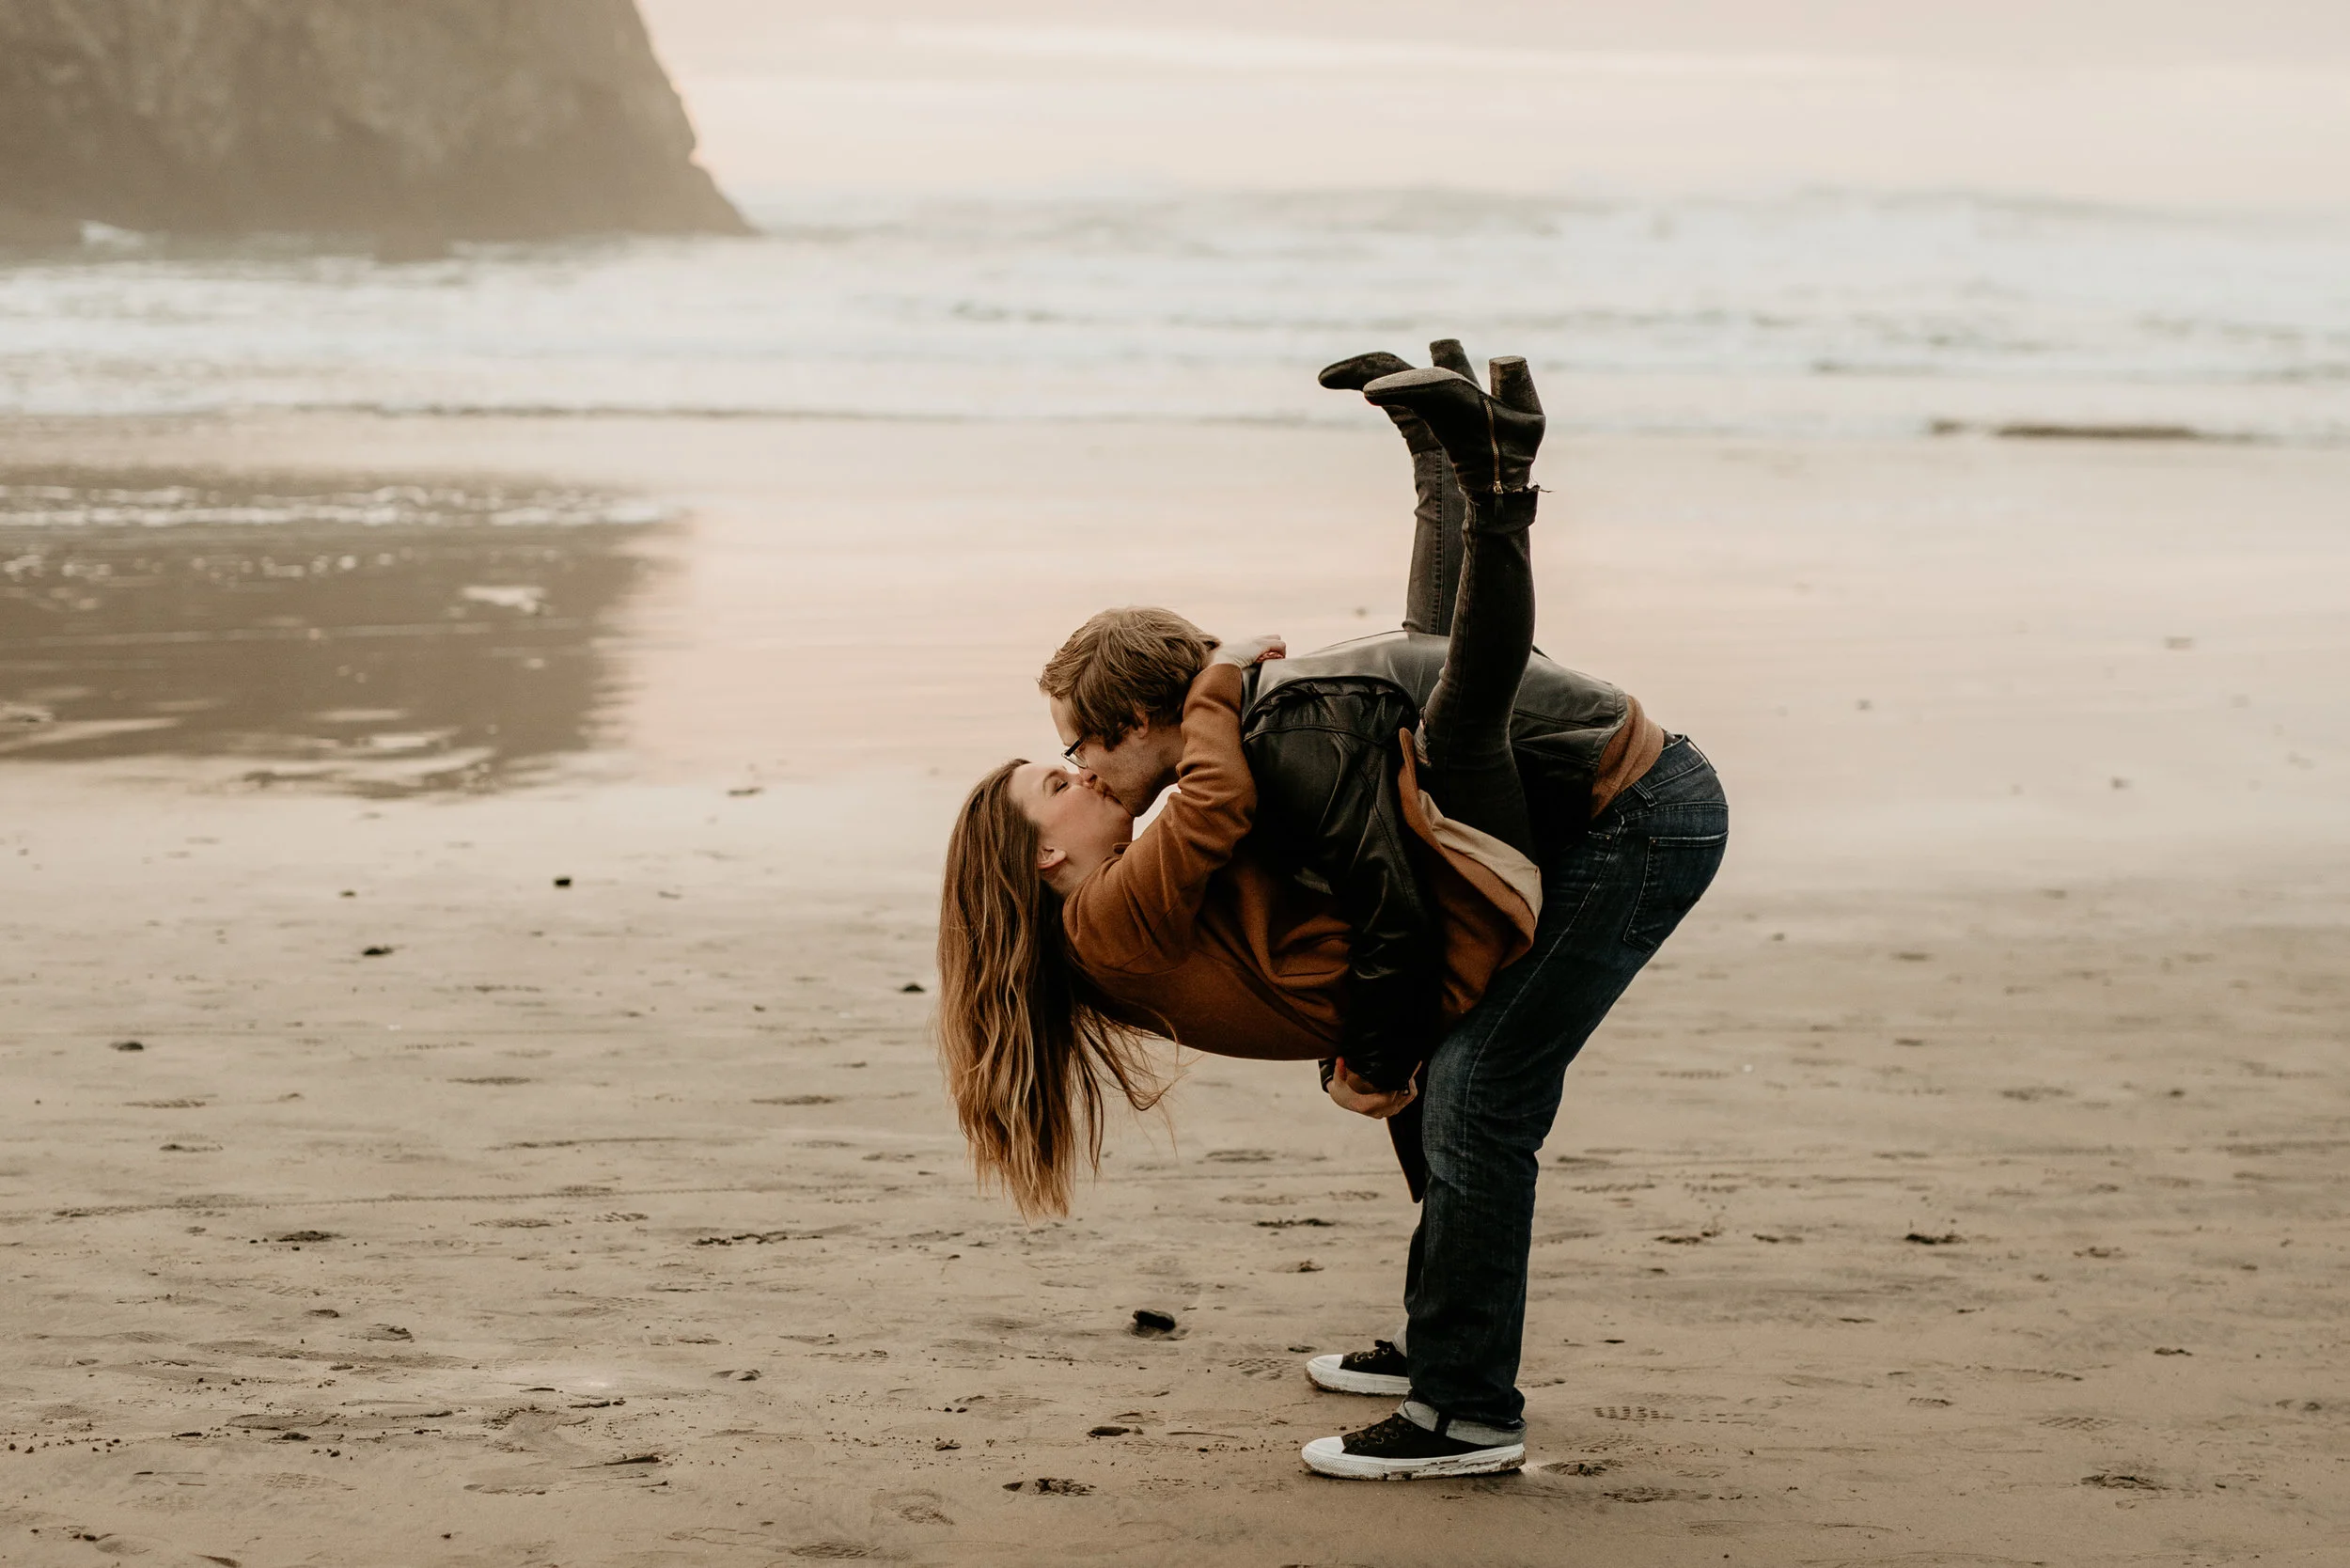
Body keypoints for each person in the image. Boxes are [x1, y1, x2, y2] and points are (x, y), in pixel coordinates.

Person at [941, 346, 1729, 1481]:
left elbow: (1374, 899)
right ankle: (1462, 465)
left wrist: (1369, 1049)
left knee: (1470, 1096)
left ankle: (1464, 1413)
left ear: (1142, 717)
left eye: (1079, 749)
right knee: (1440, 1059)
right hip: (1555, 801)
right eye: (1058, 774)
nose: (1081, 770)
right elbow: (1280, 879)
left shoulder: (1274, 747)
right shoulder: (1188, 821)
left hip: (1635, 815)